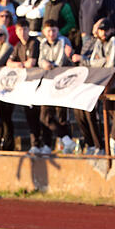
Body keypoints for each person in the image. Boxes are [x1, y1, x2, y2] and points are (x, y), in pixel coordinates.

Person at [74, 17, 115, 156]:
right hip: (106, 83)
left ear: (111, 29)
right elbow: (93, 62)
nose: (103, 32)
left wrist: (102, 61)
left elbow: (112, 63)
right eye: (101, 30)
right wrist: (102, 61)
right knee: (111, 114)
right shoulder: (98, 43)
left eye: (106, 29)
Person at [7, 18, 50, 155]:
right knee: (30, 116)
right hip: (26, 87)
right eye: (19, 30)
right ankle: (35, 144)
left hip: (39, 84)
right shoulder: (18, 45)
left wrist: (20, 64)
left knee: (43, 116)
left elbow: (31, 63)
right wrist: (18, 65)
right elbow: (9, 62)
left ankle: (47, 144)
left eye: (25, 29)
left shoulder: (34, 43)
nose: (22, 32)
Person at [38, 20, 76, 154]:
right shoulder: (43, 42)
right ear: (44, 31)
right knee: (45, 115)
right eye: (48, 30)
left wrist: (49, 65)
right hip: (47, 83)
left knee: (61, 116)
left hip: (62, 83)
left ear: (57, 30)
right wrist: (44, 64)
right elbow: (40, 59)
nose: (51, 33)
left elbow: (60, 62)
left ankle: (66, 144)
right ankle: (56, 142)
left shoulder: (63, 41)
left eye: (53, 30)